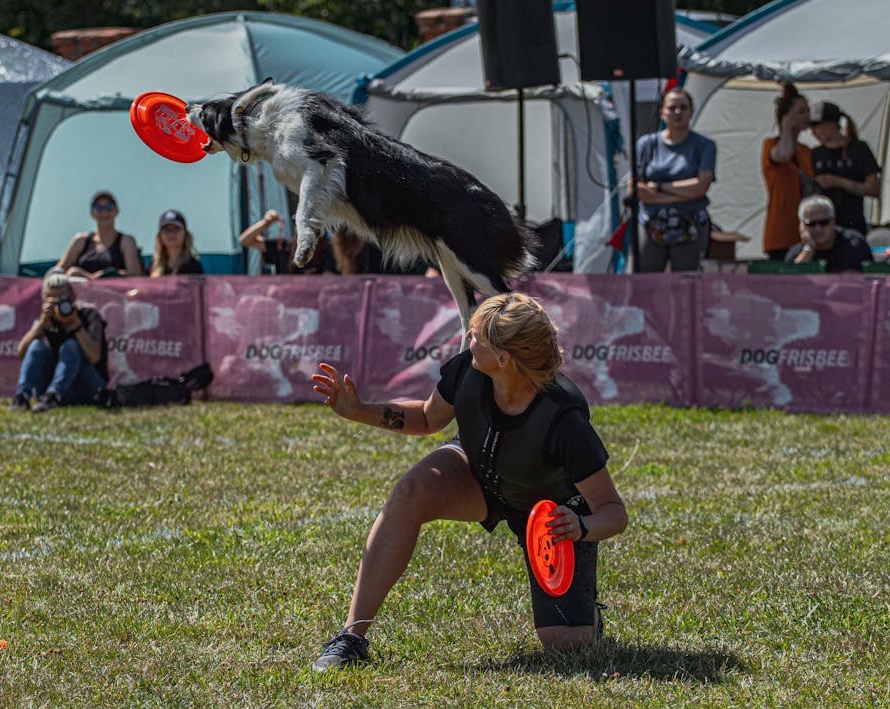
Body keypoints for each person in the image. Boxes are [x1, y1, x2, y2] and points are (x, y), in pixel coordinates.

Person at [309, 292, 629, 671]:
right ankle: (352, 636)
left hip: (549, 518)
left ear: (505, 358)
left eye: (477, 336)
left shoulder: (564, 422)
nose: (468, 339)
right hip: (479, 475)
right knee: (411, 491)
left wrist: (580, 526)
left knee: (566, 646)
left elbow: (614, 512)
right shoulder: (469, 369)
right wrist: (359, 411)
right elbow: (427, 419)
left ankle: (587, 614)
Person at [634, 88, 717, 272]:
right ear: (663, 113)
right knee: (647, 282)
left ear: (691, 112)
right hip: (652, 224)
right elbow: (638, 191)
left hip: (690, 224)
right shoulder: (646, 144)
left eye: (683, 107)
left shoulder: (704, 145)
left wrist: (659, 187)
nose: (678, 112)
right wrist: (684, 194)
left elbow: (701, 187)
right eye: (672, 108)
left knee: (685, 283)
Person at [11, 270, 108, 412]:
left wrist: (74, 324)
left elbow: (95, 357)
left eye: (63, 298)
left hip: (86, 386)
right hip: (50, 384)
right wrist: (42, 323)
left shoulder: (88, 315)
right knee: (37, 346)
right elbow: (22, 352)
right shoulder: (45, 320)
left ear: (73, 297)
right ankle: (22, 396)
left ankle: (53, 396)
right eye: (53, 299)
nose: (59, 304)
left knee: (71, 346)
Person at [810, 101, 881, 234]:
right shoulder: (815, 154)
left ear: (832, 124)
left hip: (853, 225)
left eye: (817, 126)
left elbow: (874, 189)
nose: (813, 132)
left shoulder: (858, 149)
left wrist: (838, 182)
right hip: (823, 227)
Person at [762, 83, 813, 260]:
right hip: (781, 234)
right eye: (801, 111)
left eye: (807, 111)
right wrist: (786, 126)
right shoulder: (771, 145)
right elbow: (783, 154)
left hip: (806, 232)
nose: (807, 116)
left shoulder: (806, 151)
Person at [53, 191, 143, 279]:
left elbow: (134, 277)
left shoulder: (126, 241)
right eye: (99, 208)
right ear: (92, 213)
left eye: (109, 207)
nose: (104, 212)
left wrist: (98, 277)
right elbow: (57, 272)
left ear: (117, 211)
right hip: (81, 293)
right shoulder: (80, 241)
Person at [785, 195, 871, 273]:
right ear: (801, 225)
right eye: (811, 224)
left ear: (834, 220)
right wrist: (808, 249)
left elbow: (852, 282)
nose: (818, 229)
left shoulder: (853, 244)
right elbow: (793, 282)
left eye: (824, 222)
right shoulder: (796, 252)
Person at [239, 209, 335, 274]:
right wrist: (266, 222)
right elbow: (245, 241)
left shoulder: (329, 252)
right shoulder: (283, 247)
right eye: (300, 226)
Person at [149, 209, 203, 276]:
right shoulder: (153, 265)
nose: (171, 234)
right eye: (166, 230)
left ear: (185, 234)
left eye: (176, 229)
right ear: (160, 236)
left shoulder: (193, 266)